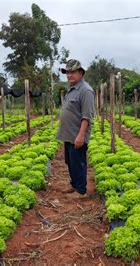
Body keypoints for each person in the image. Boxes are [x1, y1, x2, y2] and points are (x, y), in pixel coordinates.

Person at [56, 59, 95, 199]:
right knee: (70, 161)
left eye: (72, 72)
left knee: (78, 162)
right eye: (67, 72)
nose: (69, 75)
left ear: (80, 73)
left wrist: (81, 135)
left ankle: (81, 191)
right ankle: (74, 185)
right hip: (68, 134)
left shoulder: (86, 91)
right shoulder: (71, 89)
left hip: (77, 135)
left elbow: (87, 117)